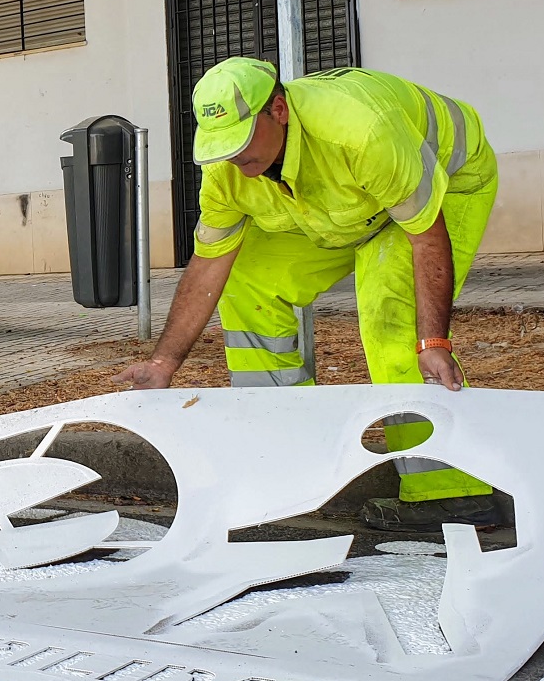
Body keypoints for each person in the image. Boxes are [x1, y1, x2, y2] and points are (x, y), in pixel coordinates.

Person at [114, 58, 504, 533]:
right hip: (343, 202)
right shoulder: (231, 170)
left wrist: (433, 342)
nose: (233, 157)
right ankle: (290, 460)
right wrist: (163, 363)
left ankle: (451, 493)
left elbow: (425, 237)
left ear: (278, 109)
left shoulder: (359, 132)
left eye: (240, 141)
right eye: (222, 146)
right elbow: (209, 262)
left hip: (444, 182)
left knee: (392, 319)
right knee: (248, 277)